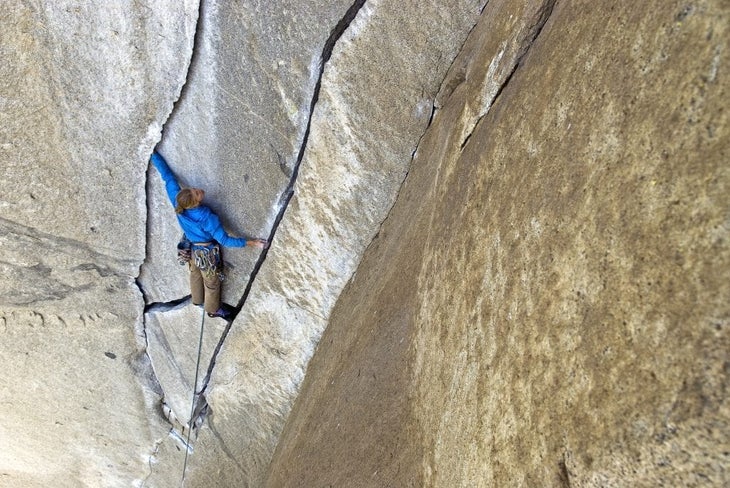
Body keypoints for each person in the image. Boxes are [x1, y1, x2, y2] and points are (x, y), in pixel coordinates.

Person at [150, 151, 267, 319]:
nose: (198, 190)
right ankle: (214, 310)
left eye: (193, 189)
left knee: (195, 273)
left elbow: (167, 177)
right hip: (207, 254)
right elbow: (224, 240)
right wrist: (252, 243)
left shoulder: (178, 202)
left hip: (193, 249)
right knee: (211, 283)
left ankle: (197, 300)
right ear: (195, 202)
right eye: (197, 193)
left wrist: (153, 155)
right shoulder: (206, 217)